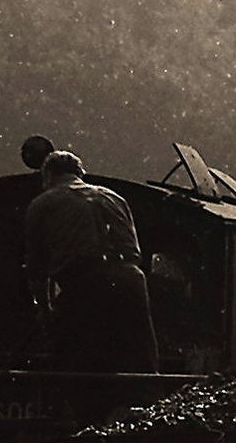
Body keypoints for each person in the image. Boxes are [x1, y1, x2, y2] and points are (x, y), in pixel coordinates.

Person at [23, 150, 159, 373]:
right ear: (79, 173)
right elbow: (134, 252)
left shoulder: (43, 204)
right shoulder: (114, 198)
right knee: (139, 361)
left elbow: (36, 267)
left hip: (83, 283)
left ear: (48, 175)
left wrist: (45, 310)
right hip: (131, 282)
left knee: (77, 363)